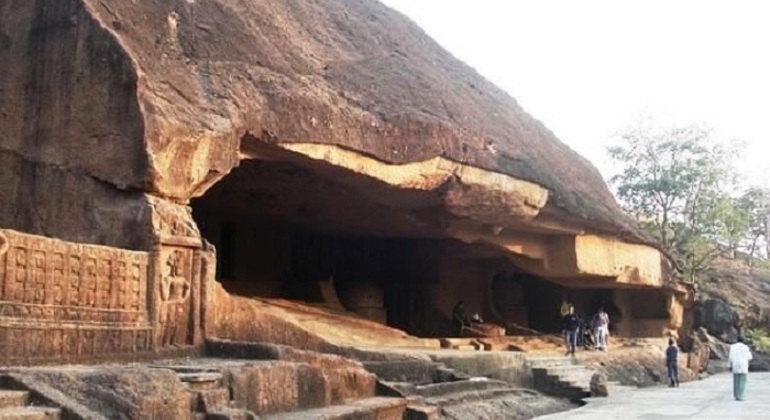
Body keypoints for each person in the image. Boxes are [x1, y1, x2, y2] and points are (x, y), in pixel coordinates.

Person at [728, 336, 753, 401]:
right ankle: (740, 396)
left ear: (737, 340)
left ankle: (736, 395)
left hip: (735, 365)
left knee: (736, 380)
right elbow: (750, 357)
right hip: (743, 365)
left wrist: (730, 364)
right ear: (743, 340)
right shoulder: (746, 347)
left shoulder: (732, 347)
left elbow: (730, 357)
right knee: (742, 381)